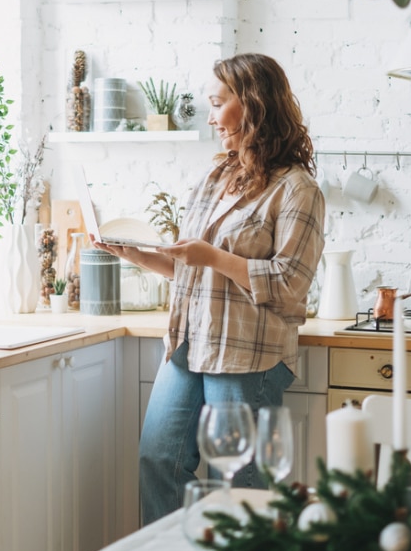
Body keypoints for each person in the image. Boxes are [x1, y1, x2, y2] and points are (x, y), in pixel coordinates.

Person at [93, 53, 325, 524]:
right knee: (159, 461)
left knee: (243, 483)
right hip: (188, 345)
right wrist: (139, 256)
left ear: (254, 105)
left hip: (248, 356)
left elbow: (289, 284)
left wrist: (212, 256)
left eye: (219, 103)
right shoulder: (215, 176)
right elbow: (194, 271)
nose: (211, 115)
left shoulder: (298, 190)